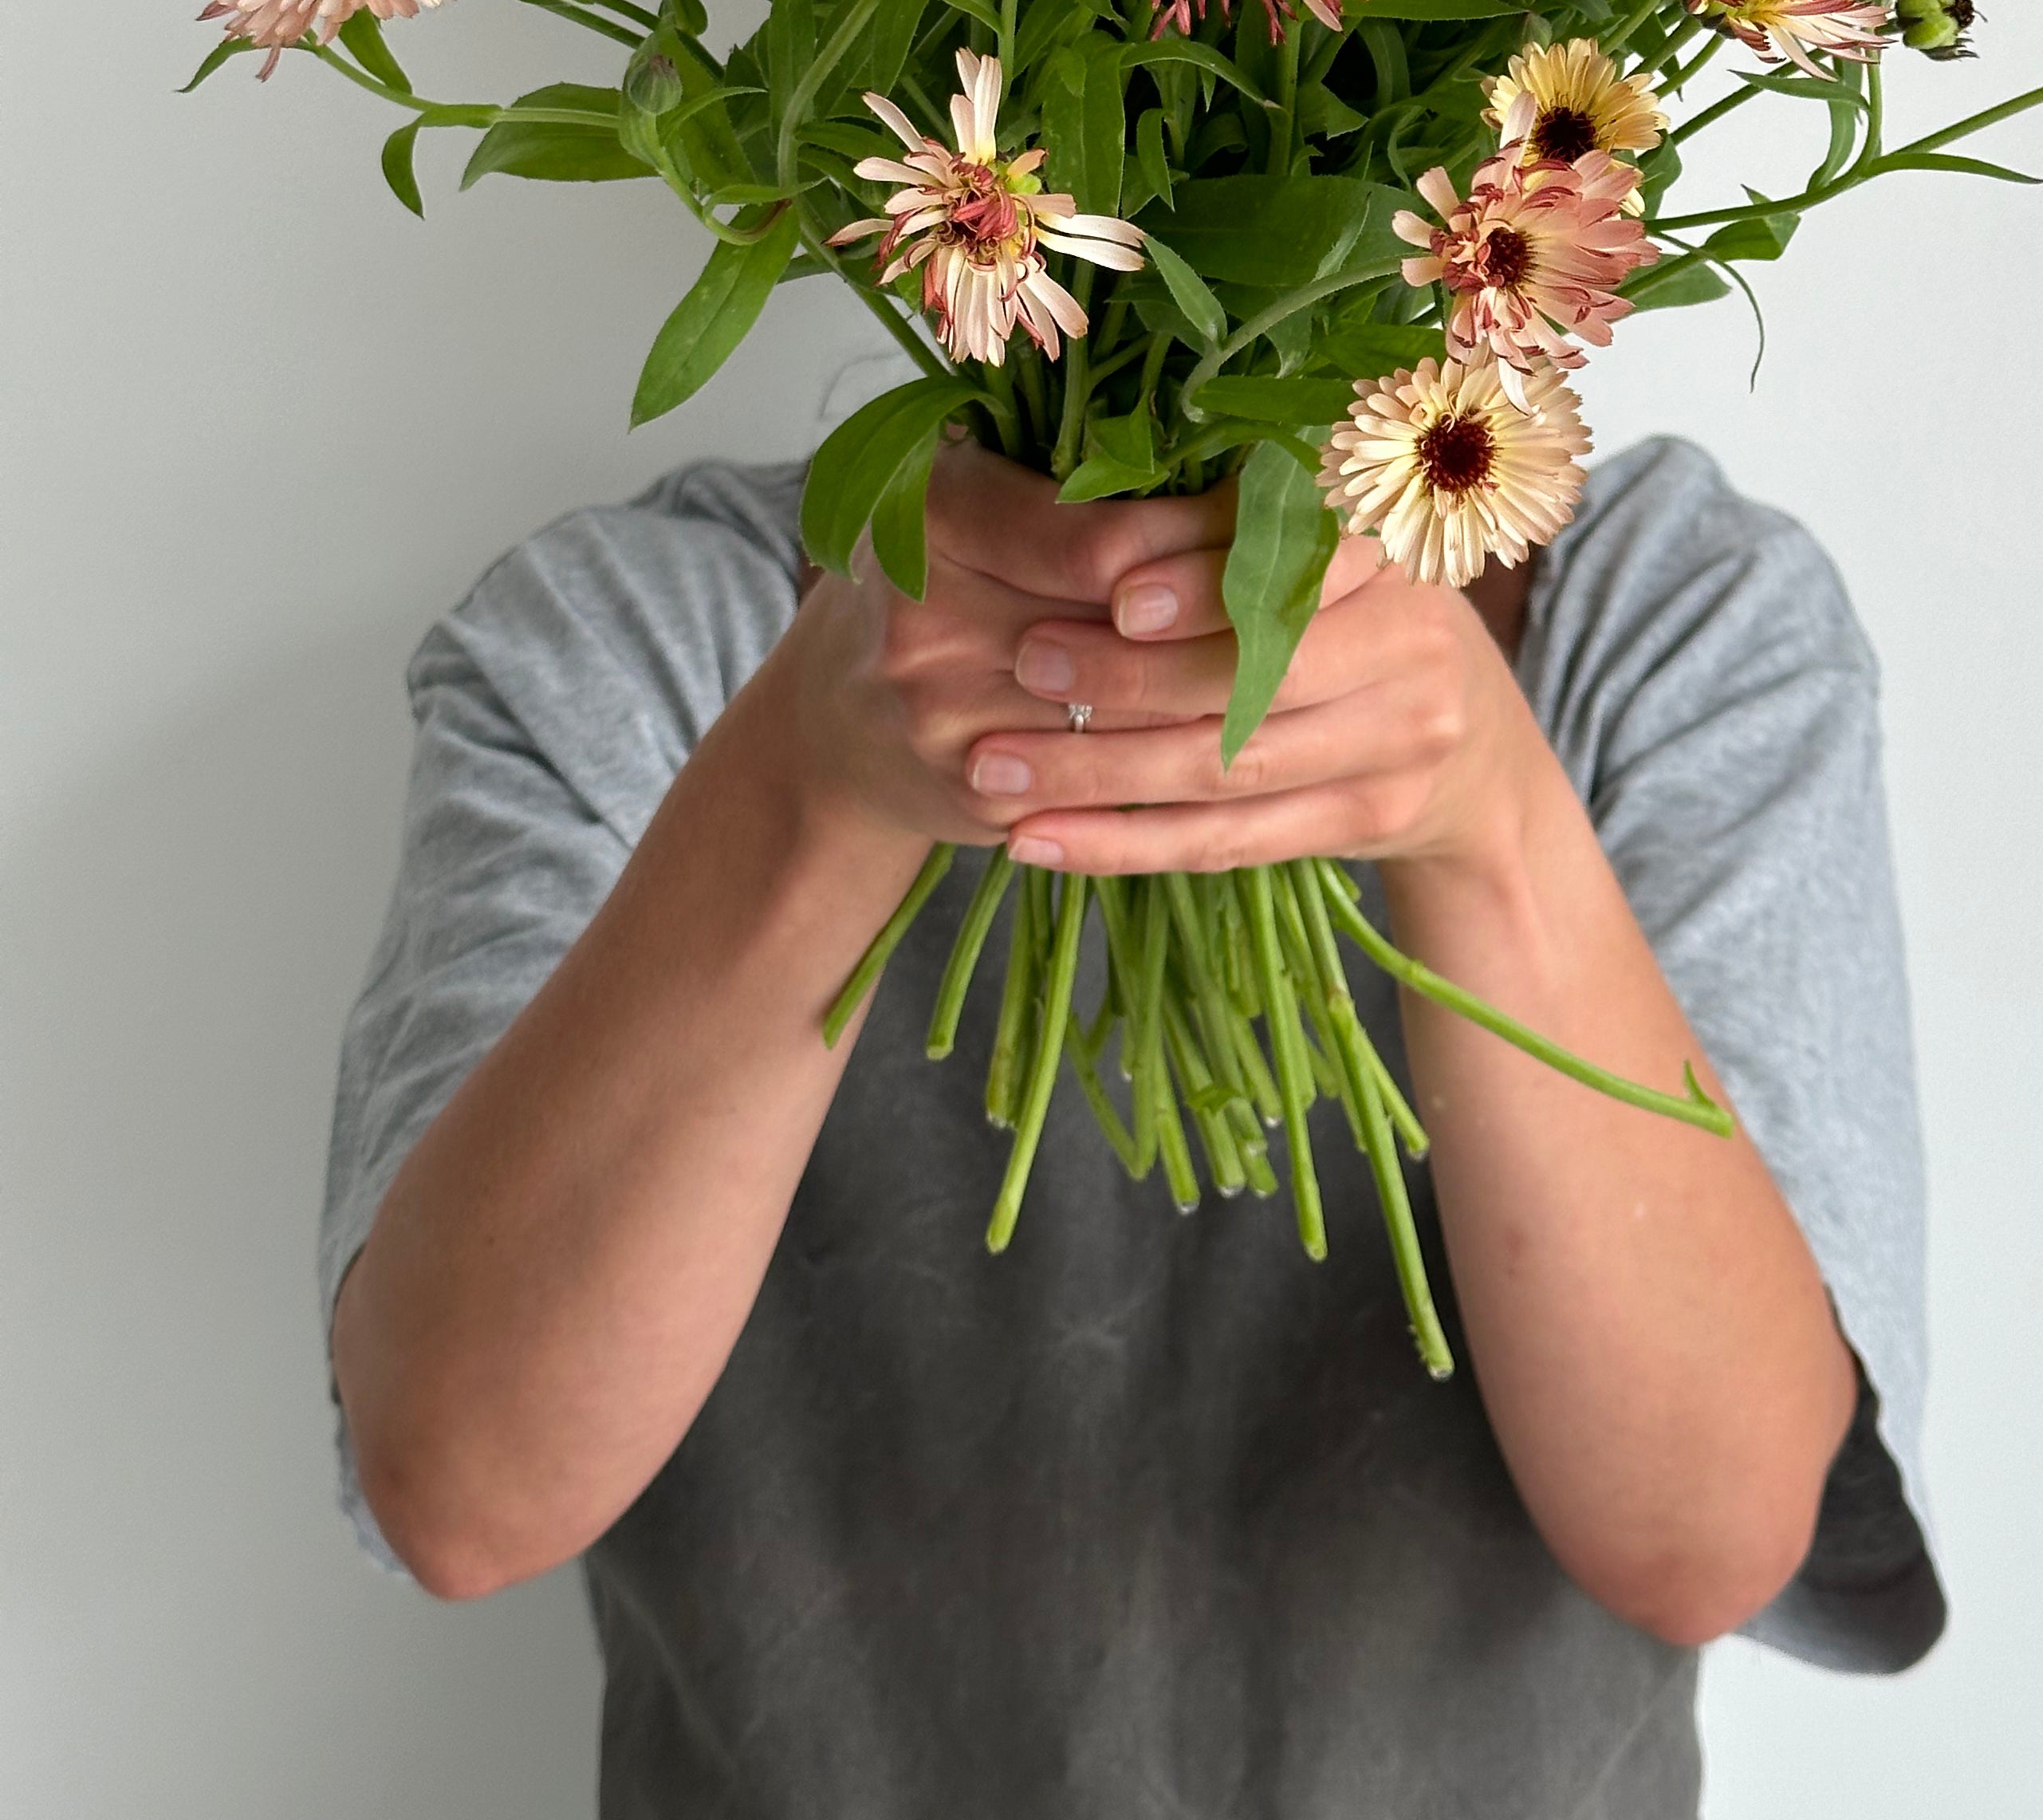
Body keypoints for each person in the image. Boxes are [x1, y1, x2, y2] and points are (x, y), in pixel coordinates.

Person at [321, 334, 1945, 1818]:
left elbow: (1707, 1538)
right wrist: (812, 782)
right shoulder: (635, 641)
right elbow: (462, 1494)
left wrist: (1486, 817)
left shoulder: (1671, 629)